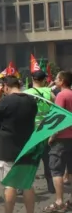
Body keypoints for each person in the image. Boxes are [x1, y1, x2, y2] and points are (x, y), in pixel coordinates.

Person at [0, 76, 37, 213]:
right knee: (27, 185)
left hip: (7, 147)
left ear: (5, 87)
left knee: (10, 185)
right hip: (27, 146)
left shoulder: (6, 101)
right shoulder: (31, 100)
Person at [23, 70, 56, 194]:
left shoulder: (26, 93)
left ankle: (23, 186)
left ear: (32, 79)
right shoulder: (49, 92)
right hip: (46, 130)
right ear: (44, 80)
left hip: (31, 131)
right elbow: (57, 108)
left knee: (29, 160)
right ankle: (51, 185)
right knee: (48, 160)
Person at [44, 71, 72, 212]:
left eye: (56, 78)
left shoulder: (62, 95)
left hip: (61, 138)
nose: (54, 81)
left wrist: (52, 136)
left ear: (62, 81)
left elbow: (58, 118)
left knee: (57, 170)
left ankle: (59, 201)